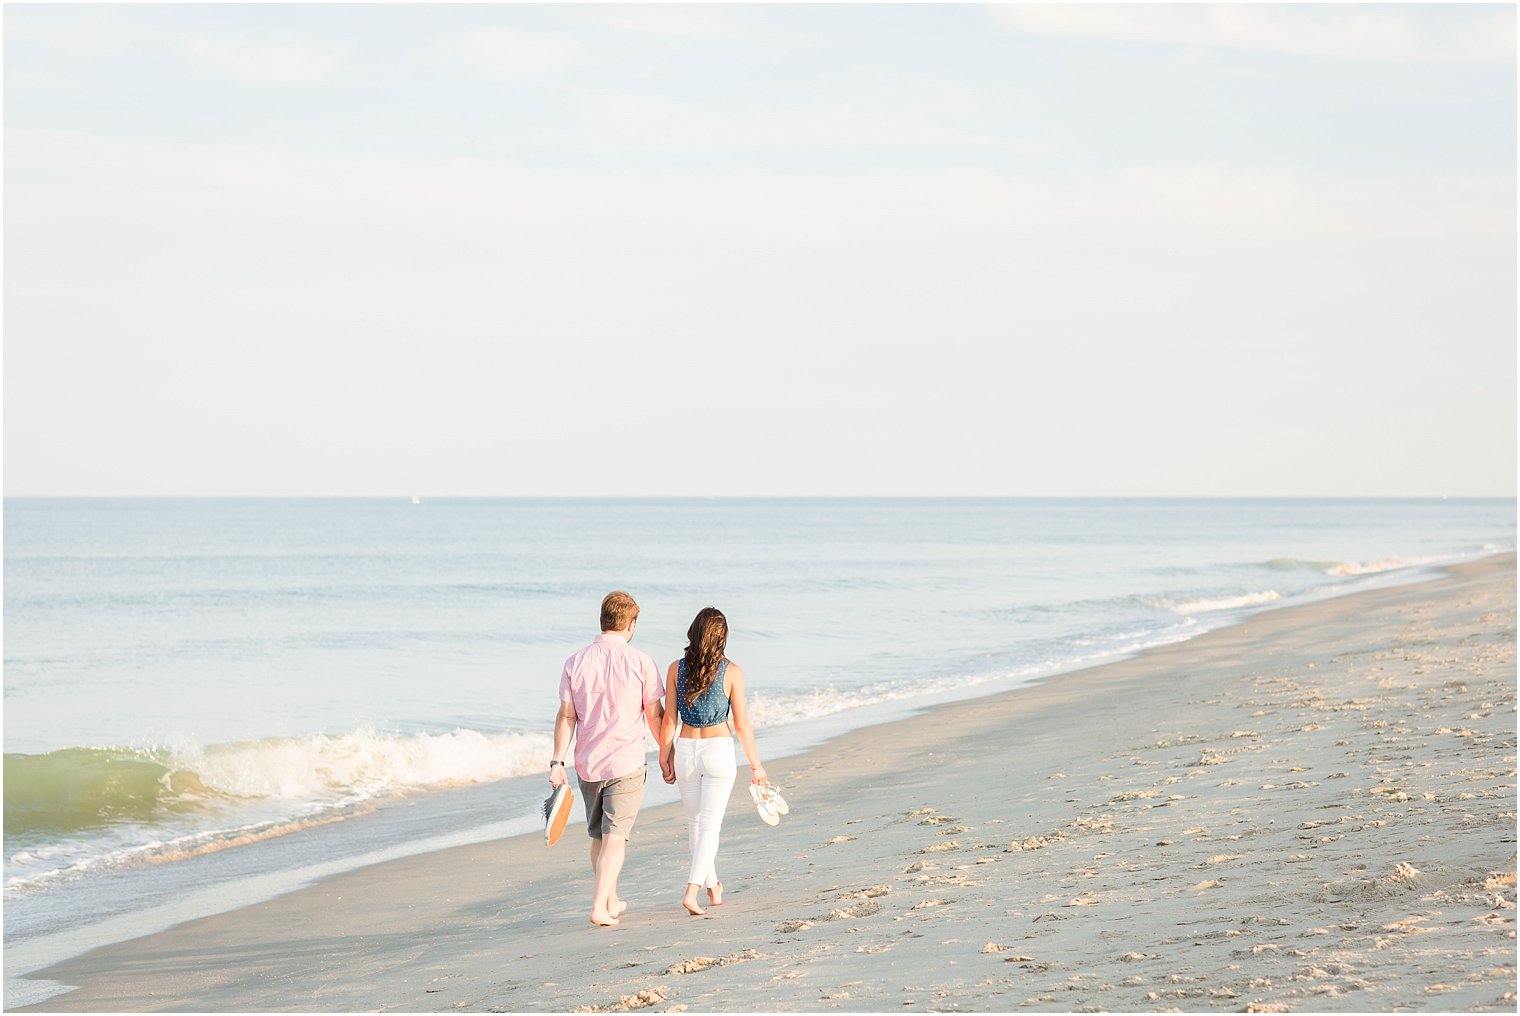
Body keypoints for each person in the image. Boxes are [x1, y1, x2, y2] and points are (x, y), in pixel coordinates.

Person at [550, 590, 666, 928]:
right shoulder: (641, 661)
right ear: (630, 624)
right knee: (616, 835)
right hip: (626, 761)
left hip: (588, 762)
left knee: (599, 835)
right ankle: (599, 905)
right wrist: (666, 753)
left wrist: (557, 761)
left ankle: (611, 897)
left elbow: (566, 716)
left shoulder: (575, 662)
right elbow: (654, 715)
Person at [658, 606, 767, 916]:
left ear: (693, 632)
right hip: (718, 750)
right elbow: (743, 725)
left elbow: (669, 720)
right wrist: (757, 766)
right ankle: (692, 891)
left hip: (686, 749)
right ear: (723, 639)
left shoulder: (675, 669)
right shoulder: (732, 672)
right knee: (710, 826)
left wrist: (664, 756)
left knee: (696, 824)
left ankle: (713, 887)